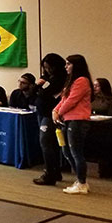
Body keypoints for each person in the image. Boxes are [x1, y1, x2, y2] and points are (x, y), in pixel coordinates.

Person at [53, 54, 93, 194]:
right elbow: (64, 99)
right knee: (66, 151)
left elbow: (72, 100)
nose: (66, 67)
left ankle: (82, 182)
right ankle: (79, 179)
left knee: (76, 152)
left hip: (78, 120)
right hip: (67, 120)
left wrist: (60, 112)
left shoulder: (82, 81)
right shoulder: (71, 81)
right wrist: (55, 111)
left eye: (69, 64)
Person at [33, 53, 67, 186]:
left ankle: (49, 173)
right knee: (50, 144)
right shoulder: (47, 78)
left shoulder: (60, 79)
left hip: (51, 114)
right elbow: (35, 90)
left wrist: (41, 86)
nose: (47, 70)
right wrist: (39, 85)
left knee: (46, 142)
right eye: (45, 68)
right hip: (42, 112)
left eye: (49, 68)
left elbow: (43, 92)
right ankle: (55, 171)